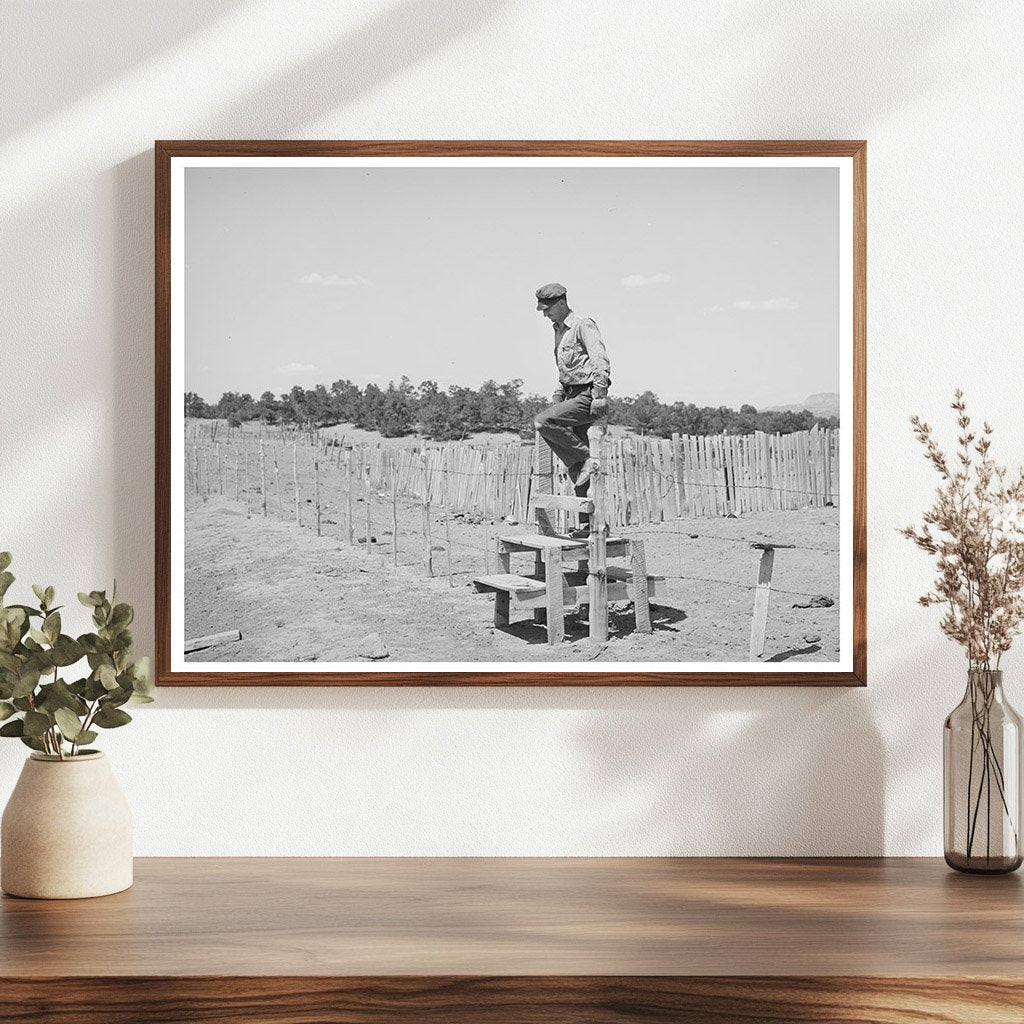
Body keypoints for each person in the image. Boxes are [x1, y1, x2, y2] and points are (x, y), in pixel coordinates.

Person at [533, 283, 611, 530]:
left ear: (561, 303)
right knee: (577, 471)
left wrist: (600, 393)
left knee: (542, 422)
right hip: (569, 395)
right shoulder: (559, 330)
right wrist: (558, 395)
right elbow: (565, 370)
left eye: (548, 309)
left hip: (587, 394)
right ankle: (589, 525)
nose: (545, 314)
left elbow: (599, 358)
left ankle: (586, 458)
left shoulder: (581, 324)